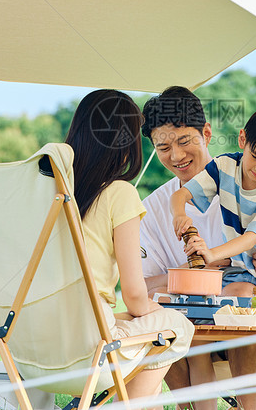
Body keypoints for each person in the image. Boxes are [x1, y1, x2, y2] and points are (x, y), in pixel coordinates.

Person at [140, 87, 256, 410]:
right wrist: (195, 275)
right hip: (190, 330)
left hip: (253, 323)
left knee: (243, 296)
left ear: (206, 134)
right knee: (170, 319)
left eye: (184, 142)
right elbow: (140, 288)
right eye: (164, 147)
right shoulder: (152, 209)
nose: (177, 155)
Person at [65, 89, 194, 408]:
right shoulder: (118, 193)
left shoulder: (52, 190)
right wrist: (161, 312)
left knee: (143, 326)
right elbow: (136, 298)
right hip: (88, 348)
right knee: (177, 325)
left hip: (30, 348)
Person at [173, 105, 256, 307]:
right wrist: (179, 214)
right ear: (243, 139)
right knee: (198, 299)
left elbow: (251, 238)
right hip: (237, 274)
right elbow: (180, 194)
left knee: (239, 299)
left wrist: (211, 253)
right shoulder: (223, 166)